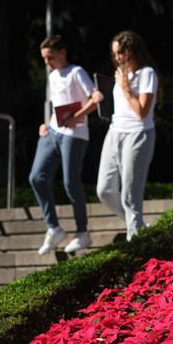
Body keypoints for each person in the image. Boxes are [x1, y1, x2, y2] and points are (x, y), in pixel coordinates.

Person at [30, 35, 103, 255]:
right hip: (53, 131)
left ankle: (83, 233)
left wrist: (77, 116)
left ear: (62, 52)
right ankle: (54, 228)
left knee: (71, 183)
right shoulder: (52, 76)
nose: (47, 62)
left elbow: (97, 97)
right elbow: (56, 105)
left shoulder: (76, 72)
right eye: (44, 58)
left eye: (50, 57)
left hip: (75, 134)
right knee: (36, 177)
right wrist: (46, 123)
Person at [96, 30, 158, 241]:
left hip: (138, 134)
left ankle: (136, 239)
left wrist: (125, 88)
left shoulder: (147, 74)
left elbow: (141, 112)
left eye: (120, 53)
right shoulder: (121, 75)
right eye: (114, 54)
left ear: (131, 51)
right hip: (115, 131)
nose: (117, 58)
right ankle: (138, 223)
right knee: (104, 190)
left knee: (130, 196)